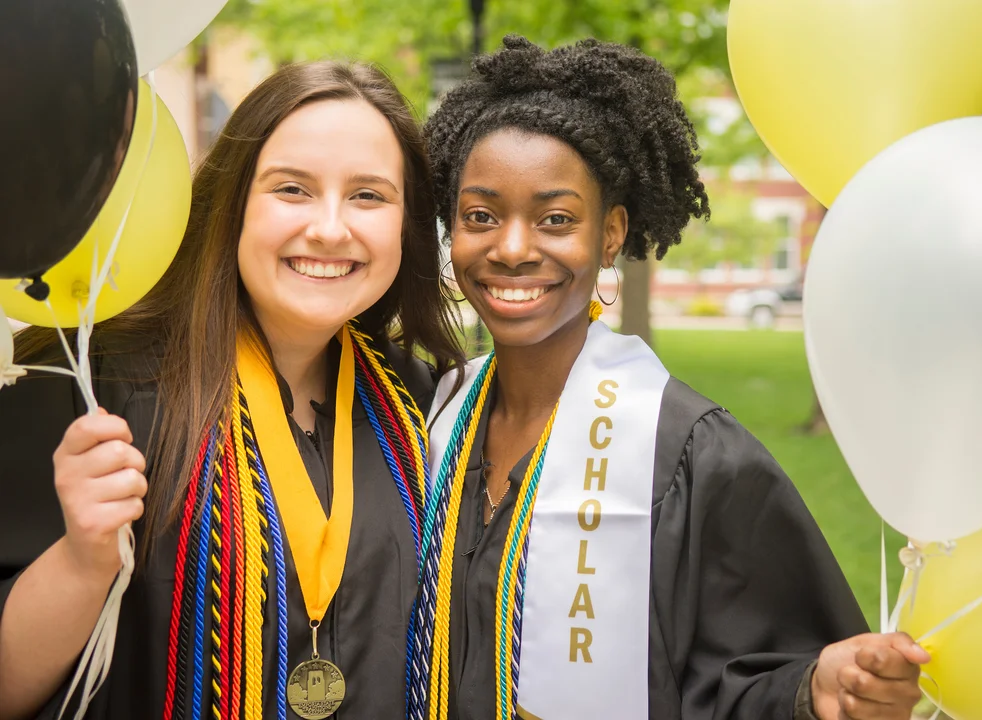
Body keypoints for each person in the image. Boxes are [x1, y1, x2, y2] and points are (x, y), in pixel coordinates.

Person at [406, 36, 928, 720]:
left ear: (611, 233)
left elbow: (750, 674)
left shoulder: (689, 452)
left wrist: (812, 691)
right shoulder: (430, 418)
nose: (511, 247)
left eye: (555, 219)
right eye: (481, 216)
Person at [0, 61, 462, 720]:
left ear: (406, 224)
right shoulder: (91, 390)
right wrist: (82, 559)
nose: (331, 228)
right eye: (292, 189)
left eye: (368, 196)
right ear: (233, 201)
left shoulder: (423, 407)